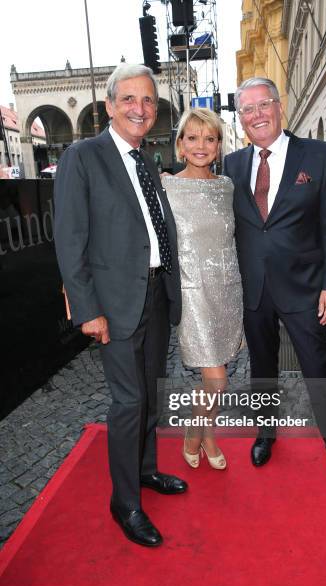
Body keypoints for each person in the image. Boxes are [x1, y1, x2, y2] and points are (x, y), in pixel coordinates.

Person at [54, 63, 187, 548]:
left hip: (155, 294)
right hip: (114, 302)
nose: (140, 108)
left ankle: (146, 470)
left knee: (150, 395)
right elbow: (70, 240)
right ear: (109, 106)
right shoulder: (83, 157)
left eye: (148, 101)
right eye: (129, 99)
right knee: (129, 401)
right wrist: (87, 308)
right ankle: (124, 502)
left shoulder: (146, 159)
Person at [224, 77, 326, 477]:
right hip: (254, 289)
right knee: (261, 367)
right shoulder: (232, 165)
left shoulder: (317, 155)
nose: (257, 115)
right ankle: (266, 433)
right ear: (241, 118)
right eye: (248, 109)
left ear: (280, 107)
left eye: (263, 105)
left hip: (305, 287)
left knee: (317, 364)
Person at [162, 108, 243, 470]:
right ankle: (195, 435)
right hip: (193, 294)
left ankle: (207, 436)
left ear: (218, 146)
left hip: (228, 290)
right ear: (180, 145)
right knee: (218, 379)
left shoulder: (226, 187)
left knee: (217, 375)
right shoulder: (167, 187)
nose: (201, 146)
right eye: (192, 138)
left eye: (209, 138)